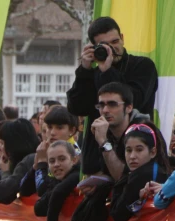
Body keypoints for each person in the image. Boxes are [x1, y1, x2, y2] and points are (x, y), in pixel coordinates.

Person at [66, 16, 158, 177]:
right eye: (105, 46)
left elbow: (134, 100)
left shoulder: (142, 66)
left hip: (132, 158)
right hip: (95, 161)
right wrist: (84, 70)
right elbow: (77, 107)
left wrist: (108, 72)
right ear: (94, 47)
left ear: (122, 38)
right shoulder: (93, 74)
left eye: (115, 42)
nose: (113, 49)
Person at [86, 82, 149, 183]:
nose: (105, 110)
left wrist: (103, 143)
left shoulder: (142, 131)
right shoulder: (103, 130)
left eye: (112, 104)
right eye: (101, 105)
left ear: (129, 107)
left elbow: (124, 178)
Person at [110, 121, 169, 221]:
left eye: (139, 150)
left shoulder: (141, 175)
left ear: (153, 152)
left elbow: (117, 215)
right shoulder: (161, 169)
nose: (132, 156)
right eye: (128, 150)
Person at [34, 141, 81, 221]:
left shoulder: (77, 175)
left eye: (62, 159)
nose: (56, 164)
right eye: (51, 161)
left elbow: (59, 191)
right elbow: (39, 208)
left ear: (74, 160)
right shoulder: (55, 181)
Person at [0, 118, 41, 204]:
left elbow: (2, 194)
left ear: (13, 144)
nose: (1, 147)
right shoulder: (35, 156)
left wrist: (6, 172)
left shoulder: (29, 161)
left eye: (3, 143)